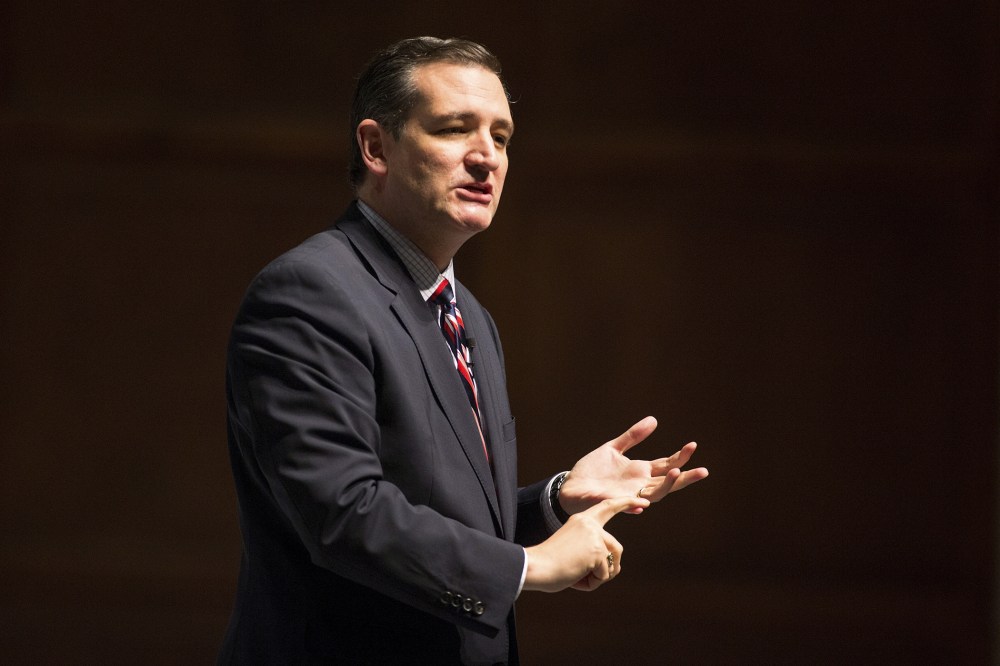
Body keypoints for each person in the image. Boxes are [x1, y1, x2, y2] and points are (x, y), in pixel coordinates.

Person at [218, 36, 708, 665]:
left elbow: (442, 515)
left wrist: (556, 500)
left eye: (501, 138)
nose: (486, 158)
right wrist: (527, 566)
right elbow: (341, 513)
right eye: (454, 129)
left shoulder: (467, 313)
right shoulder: (310, 293)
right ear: (375, 148)